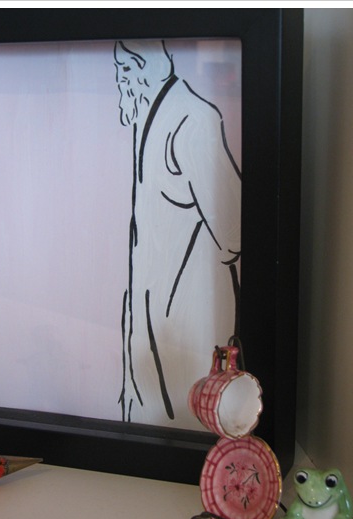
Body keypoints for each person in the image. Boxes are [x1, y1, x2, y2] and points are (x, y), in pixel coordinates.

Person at [115, 40, 241, 430]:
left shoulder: (194, 119)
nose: (119, 80)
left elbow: (233, 233)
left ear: (145, 67)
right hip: (151, 315)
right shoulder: (149, 116)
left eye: (124, 69)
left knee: (191, 420)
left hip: (189, 317)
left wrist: (187, 268)